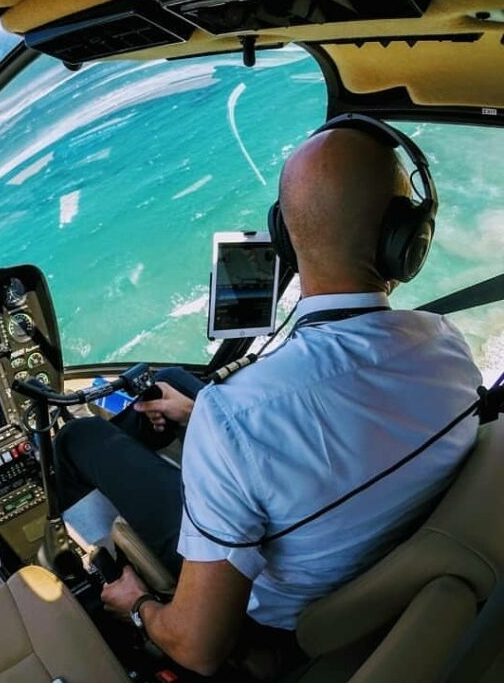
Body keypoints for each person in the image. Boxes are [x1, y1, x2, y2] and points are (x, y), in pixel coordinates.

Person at [54, 127, 482, 677]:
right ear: (402, 242)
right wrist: (205, 418)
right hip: (385, 564)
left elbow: (198, 648)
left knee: (80, 437)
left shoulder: (234, 417)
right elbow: (344, 421)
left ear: (284, 238)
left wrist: (136, 604)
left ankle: (79, 559)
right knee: (175, 382)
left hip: (277, 621)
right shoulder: (445, 345)